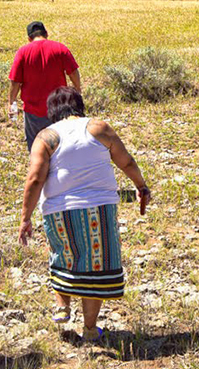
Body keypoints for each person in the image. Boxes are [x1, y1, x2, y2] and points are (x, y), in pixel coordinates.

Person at [18, 87, 150, 342]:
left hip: (59, 210)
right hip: (99, 208)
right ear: (79, 106)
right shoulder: (99, 129)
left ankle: (62, 305)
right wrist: (140, 185)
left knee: (63, 255)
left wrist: (25, 217)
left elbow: (35, 179)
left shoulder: (46, 137)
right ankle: (90, 329)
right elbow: (127, 162)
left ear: (52, 111)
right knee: (95, 267)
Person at [8, 21, 81, 149]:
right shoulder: (60, 48)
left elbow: (15, 82)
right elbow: (73, 72)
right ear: (46, 34)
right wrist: (77, 90)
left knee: (36, 148)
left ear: (29, 38)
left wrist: (11, 102)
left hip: (33, 110)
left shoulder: (22, 52)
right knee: (60, 147)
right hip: (59, 107)